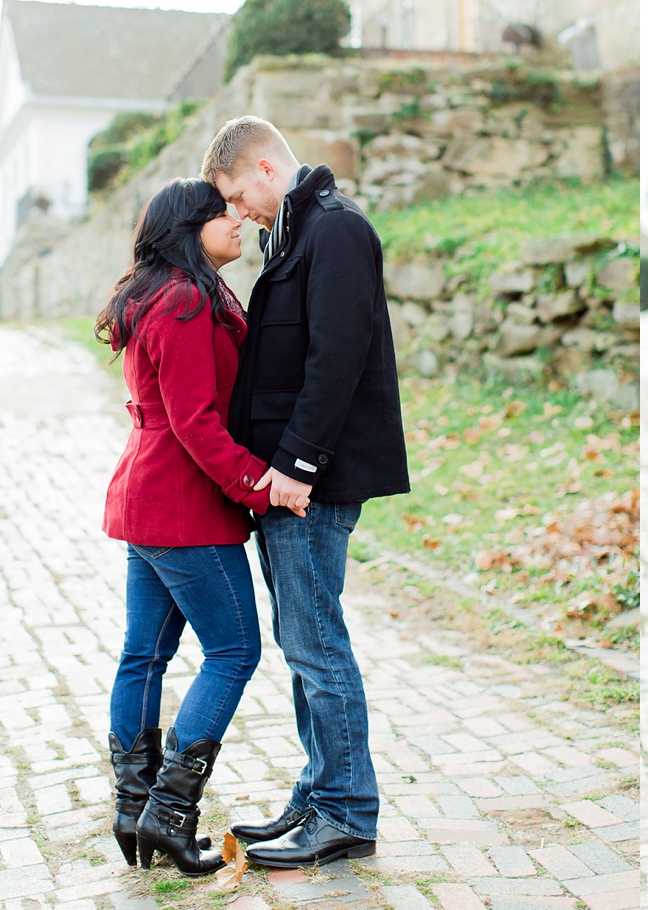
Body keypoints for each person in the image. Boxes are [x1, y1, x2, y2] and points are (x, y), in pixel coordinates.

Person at [200, 115, 409, 869]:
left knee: (318, 647)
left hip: (309, 485)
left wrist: (295, 467)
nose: (237, 213)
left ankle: (348, 811)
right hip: (283, 485)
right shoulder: (291, 235)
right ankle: (321, 791)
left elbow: (338, 359)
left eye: (235, 196)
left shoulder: (337, 230)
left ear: (262, 167)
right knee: (301, 645)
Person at [98, 178, 274, 875]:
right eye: (221, 212)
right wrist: (258, 486)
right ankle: (168, 814)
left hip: (151, 499)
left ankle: (135, 805)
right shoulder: (183, 299)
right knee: (234, 650)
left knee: (144, 653)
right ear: (187, 228)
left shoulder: (165, 291)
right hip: (181, 505)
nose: (237, 220)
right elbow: (195, 421)